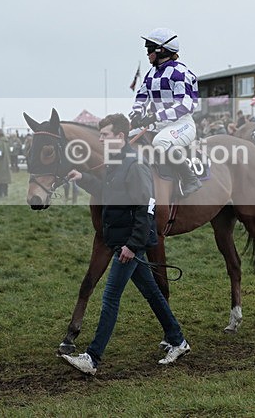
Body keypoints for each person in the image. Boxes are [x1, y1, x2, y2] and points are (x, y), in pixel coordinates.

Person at [60, 114, 190, 375]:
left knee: (110, 297)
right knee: (152, 292)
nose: (100, 139)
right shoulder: (116, 163)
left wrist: (132, 246)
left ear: (120, 137)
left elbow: (146, 208)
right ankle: (178, 340)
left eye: (105, 135)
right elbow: (109, 193)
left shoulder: (135, 165)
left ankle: (92, 358)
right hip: (123, 240)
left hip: (129, 244)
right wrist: (82, 177)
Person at [129, 27, 202, 196]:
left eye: (149, 49)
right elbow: (141, 95)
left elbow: (184, 106)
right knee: (127, 139)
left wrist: (155, 116)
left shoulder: (180, 73)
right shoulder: (152, 73)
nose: (147, 53)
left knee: (160, 143)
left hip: (181, 124)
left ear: (161, 50)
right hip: (157, 123)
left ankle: (190, 179)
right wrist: (137, 113)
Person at [0, 129, 12, 197]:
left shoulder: (0, 142)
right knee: (5, 180)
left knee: (0, 180)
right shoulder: (7, 142)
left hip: (0, 164)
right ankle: (6, 193)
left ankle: (0, 194)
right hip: (6, 162)